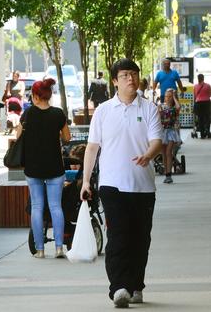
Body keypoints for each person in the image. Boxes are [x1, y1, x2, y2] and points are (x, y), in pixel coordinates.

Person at [80, 58, 162, 308]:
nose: (131, 79)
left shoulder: (149, 109)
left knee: (140, 238)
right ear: (115, 81)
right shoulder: (103, 111)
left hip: (143, 186)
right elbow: (92, 148)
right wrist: (85, 181)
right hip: (112, 185)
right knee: (118, 235)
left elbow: (156, 141)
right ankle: (118, 288)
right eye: (125, 75)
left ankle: (136, 284)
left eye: (134, 74)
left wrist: (148, 155)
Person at [17, 78, 71, 259]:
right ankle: (58, 248)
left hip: (33, 167)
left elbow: (18, 137)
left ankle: (39, 250)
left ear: (35, 96)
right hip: (55, 166)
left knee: (37, 207)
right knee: (56, 206)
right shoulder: (58, 114)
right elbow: (68, 138)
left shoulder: (27, 115)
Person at [159, 88, 181, 184]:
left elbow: (178, 106)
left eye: (169, 96)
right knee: (163, 154)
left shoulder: (174, 108)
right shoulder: (160, 106)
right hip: (162, 132)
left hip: (171, 132)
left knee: (168, 152)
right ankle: (166, 173)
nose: (167, 98)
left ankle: (169, 174)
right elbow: (157, 117)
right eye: (166, 96)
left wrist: (175, 97)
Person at [193, 74, 211, 138]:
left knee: (200, 119)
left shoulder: (195, 86)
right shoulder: (208, 86)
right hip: (207, 103)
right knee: (207, 118)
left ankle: (202, 134)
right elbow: (209, 95)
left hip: (199, 103)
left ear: (198, 79)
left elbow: (195, 96)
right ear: (203, 78)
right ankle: (208, 132)